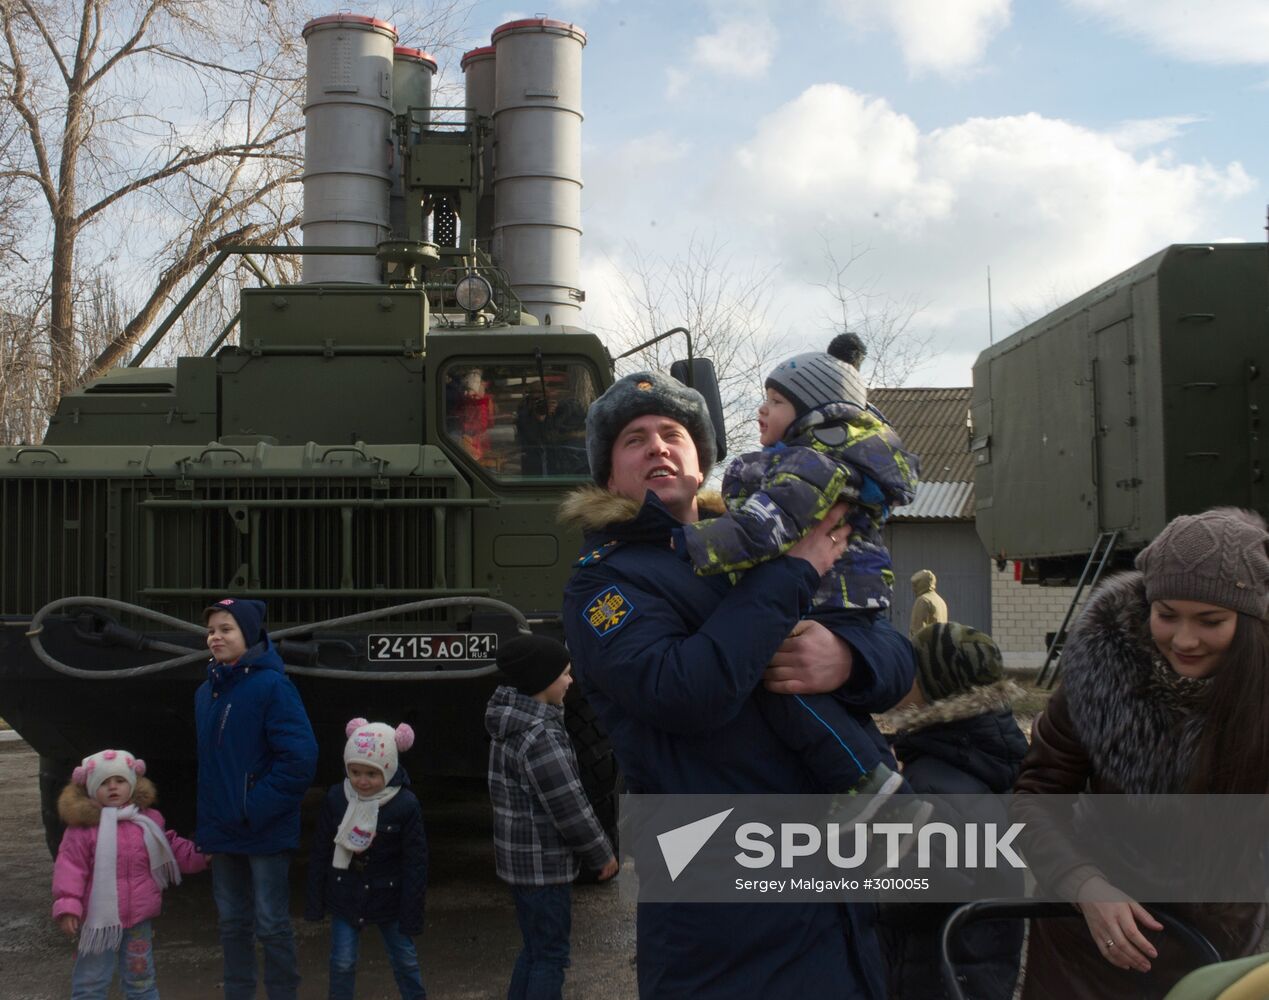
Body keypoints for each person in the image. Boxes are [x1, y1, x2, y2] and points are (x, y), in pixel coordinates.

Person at [560, 370, 917, 999]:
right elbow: (685, 692)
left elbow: (894, 656)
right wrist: (796, 571)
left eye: (673, 434)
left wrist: (847, 658)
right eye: (634, 440)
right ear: (609, 474)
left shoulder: (760, 541)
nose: (658, 447)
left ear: (701, 461)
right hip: (724, 919)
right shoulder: (605, 585)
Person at [1013, 508, 1269, 998]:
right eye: (1166, 615)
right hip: (1089, 951)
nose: (1185, 639)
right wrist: (1084, 886)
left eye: (1210, 621)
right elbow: (1036, 798)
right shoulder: (1101, 671)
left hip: (1224, 951)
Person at [678, 334, 921, 803]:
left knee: (783, 690)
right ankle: (881, 780)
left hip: (827, 598)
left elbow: (761, 530)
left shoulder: (812, 465)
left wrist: (690, 545)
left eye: (776, 400)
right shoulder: (823, 461)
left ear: (816, 411)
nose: (761, 411)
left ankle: (868, 788)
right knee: (815, 700)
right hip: (840, 598)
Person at [875, 622, 1029, 999]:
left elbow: (922, 892)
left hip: (935, 973)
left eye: (909, 671)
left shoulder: (932, 781)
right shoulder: (988, 755)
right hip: (980, 959)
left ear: (934, 685)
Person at [195, 597, 318, 1000]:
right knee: (231, 923)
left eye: (226, 629)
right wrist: (212, 824)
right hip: (223, 831)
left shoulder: (273, 686)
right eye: (212, 630)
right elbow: (212, 768)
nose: (216, 637)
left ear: (248, 635)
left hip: (263, 829)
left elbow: (299, 758)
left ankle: (283, 993)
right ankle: (239, 993)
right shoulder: (206, 692)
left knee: (271, 923)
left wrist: (253, 807)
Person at [486, 634, 619, 1000]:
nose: (570, 680)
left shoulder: (509, 723)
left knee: (533, 950)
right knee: (551, 957)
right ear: (541, 682)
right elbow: (568, 805)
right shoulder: (540, 735)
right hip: (544, 867)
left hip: (519, 864)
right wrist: (601, 853)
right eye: (564, 673)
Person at [52, 749, 208, 1000]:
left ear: (132, 784)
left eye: (120, 781)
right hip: (97, 922)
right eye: (104, 782)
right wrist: (68, 905)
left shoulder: (147, 821)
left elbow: (170, 847)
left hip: (138, 919)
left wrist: (201, 855)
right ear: (92, 788)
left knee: (141, 978)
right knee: (91, 981)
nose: (113, 787)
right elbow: (69, 868)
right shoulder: (83, 830)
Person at [306, 719, 428, 1000]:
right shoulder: (337, 798)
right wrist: (315, 902)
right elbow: (321, 851)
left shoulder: (405, 805)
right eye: (355, 771)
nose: (362, 781)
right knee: (342, 962)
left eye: (371, 774)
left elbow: (416, 863)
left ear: (388, 770)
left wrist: (412, 913)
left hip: (390, 897)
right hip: (346, 893)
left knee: (405, 961)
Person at [909, 569, 948, 638]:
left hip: (926, 647)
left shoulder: (923, 600)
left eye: (916, 585)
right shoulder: (941, 601)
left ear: (923, 584)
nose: (913, 589)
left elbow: (917, 632)